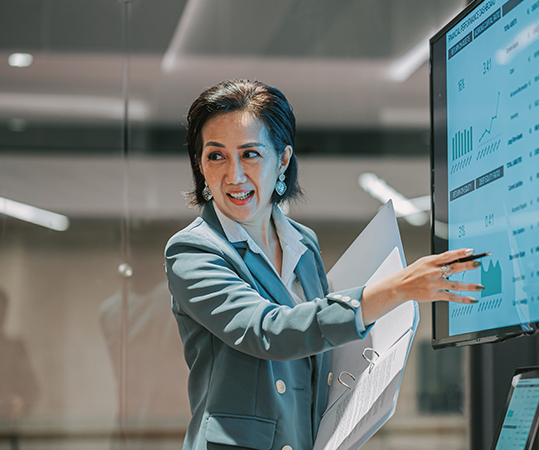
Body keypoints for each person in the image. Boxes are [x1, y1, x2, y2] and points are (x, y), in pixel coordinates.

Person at [165, 79, 483, 450]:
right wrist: (397, 288)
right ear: (200, 165)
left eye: (250, 153)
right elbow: (267, 330)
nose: (233, 175)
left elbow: (318, 358)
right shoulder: (192, 250)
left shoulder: (303, 244)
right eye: (216, 155)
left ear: (282, 160)